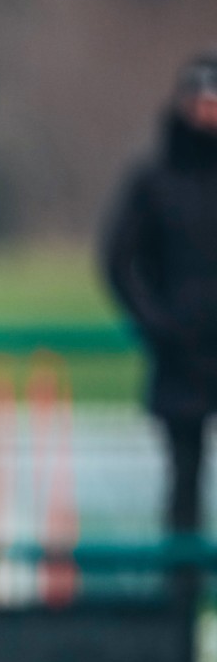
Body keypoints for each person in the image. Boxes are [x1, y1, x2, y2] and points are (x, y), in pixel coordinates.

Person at [103, 50, 217, 541]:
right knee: (183, 486)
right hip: (181, 353)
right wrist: (157, 322)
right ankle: (181, 604)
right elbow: (118, 260)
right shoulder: (155, 180)